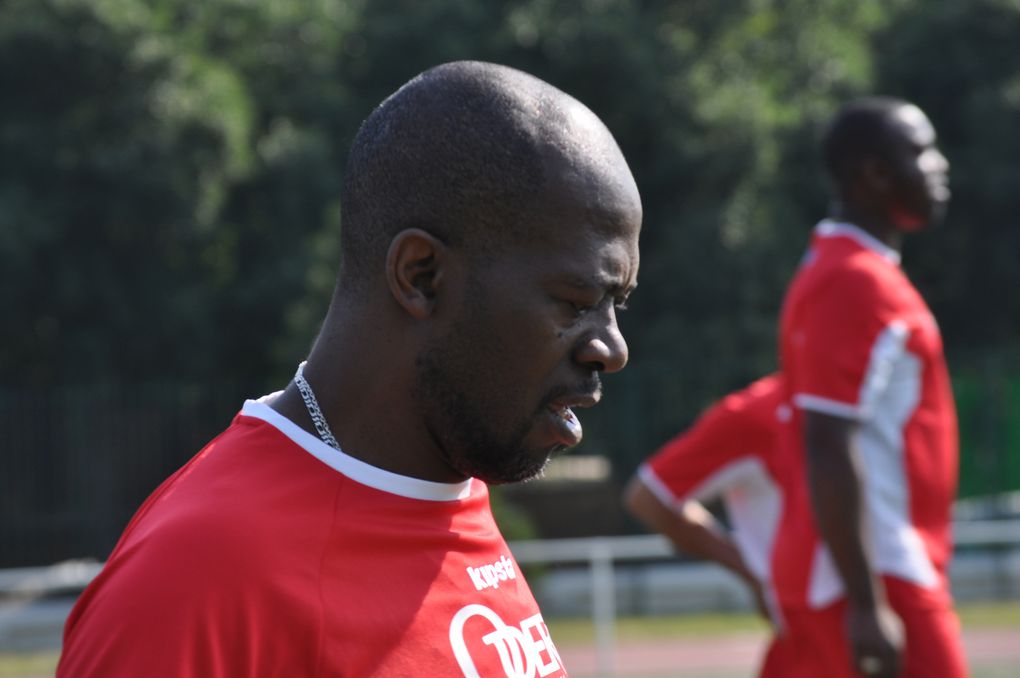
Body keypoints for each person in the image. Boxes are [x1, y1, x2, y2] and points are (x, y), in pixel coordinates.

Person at [57, 61, 642, 678]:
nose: (611, 347)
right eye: (576, 302)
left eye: (616, 305)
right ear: (421, 276)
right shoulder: (200, 576)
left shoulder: (455, 482)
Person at [771, 97, 967, 678]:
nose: (940, 165)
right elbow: (828, 439)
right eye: (922, 151)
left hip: (885, 564)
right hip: (880, 568)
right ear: (875, 173)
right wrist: (866, 603)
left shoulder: (854, 268)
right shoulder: (854, 280)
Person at [623, 372, 796, 676]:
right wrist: (753, 571)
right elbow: (648, 496)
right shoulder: (759, 413)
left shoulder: (894, 393)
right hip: (812, 641)